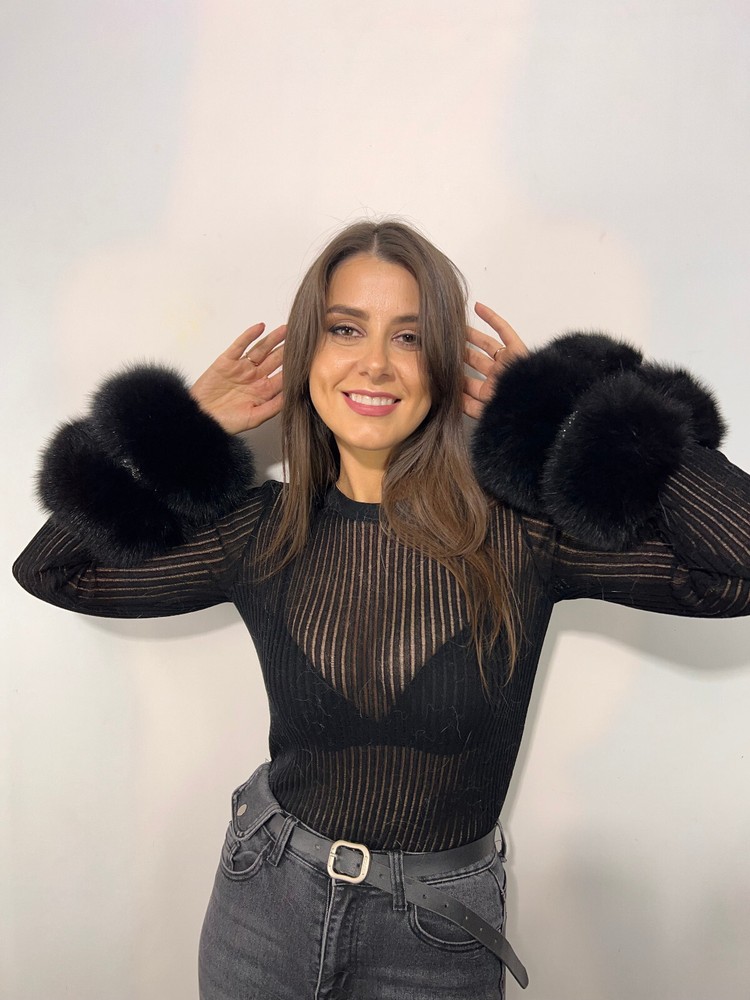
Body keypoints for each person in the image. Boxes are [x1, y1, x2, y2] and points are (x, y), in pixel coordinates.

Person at [13, 220, 750, 1000]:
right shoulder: (255, 533)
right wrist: (175, 430)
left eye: (409, 337)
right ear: (309, 356)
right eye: (345, 329)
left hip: (436, 938)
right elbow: (54, 570)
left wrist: (572, 415)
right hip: (263, 902)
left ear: (443, 365)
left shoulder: (525, 535)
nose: (374, 362)